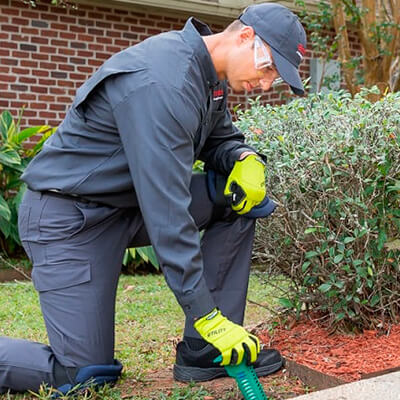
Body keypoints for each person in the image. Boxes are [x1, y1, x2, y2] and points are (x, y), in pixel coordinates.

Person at [0, 2, 307, 394]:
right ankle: (210, 330)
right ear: (245, 37)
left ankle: (204, 352)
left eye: (275, 78)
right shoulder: (164, 83)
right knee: (83, 374)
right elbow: (168, 217)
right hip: (69, 220)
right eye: (268, 69)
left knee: (239, 198)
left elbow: (220, 141)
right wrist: (206, 314)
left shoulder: (206, 77)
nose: (266, 84)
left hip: (127, 207)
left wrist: (246, 158)